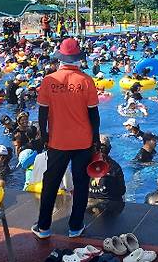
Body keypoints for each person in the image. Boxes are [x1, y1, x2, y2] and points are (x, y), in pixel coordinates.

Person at [33, 38, 100, 239]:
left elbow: (42, 113)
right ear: (78, 58)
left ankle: (44, 227)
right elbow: (94, 115)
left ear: (60, 58)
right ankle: (76, 226)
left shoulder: (49, 80)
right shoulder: (86, 81)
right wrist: (95, 139)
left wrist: (44, 135)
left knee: (51, 182)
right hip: (83, 141)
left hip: (57, 141)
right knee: (81, 183)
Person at [88, 135, 126, 204]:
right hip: (111, 208)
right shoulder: (115, 167)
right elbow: (122, 191)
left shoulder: (83, 164)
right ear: (109, 149)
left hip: (88, 206)